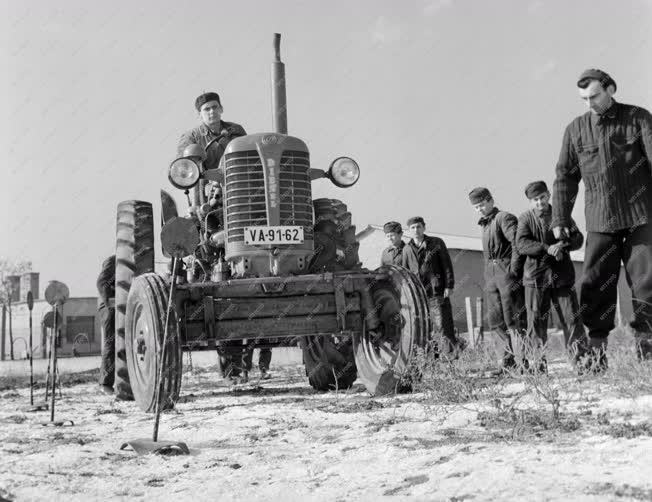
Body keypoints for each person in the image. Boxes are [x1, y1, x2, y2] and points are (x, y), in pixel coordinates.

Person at [551, 69, 652, 370]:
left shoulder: (638, 118)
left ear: (611, 89)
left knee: (647, 283)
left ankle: (647, 353)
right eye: (584, 99)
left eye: (594, 96)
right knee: (595, 284)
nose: (589, 103)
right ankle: (596, 358)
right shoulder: (576, 129)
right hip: (600, 220)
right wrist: (560, 216)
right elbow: (565, 177)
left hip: (641, 217)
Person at [178, 91, 249, 383]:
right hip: (209, 201)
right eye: (206, 109)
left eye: (215, 107)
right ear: (200, 114)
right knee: (214, 263)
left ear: (221, 109)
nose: (212, 112)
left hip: (239, 198)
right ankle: (232, 368)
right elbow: (186, 166)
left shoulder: (236, 131)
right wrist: (202, 200)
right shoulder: (191, 136)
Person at [516, 181, 587, 372]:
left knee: (571, 319)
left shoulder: (562, 216)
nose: (539, 202)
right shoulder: (525, 219)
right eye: (535, 200)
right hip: (535, 279)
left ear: (548, 195)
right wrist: (548, 248)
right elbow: (522, 244)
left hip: (562, 277)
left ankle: (580, 362)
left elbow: (578, 238)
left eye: (542, 198)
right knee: (536, 323)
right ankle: (538, 366)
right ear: (530, 202)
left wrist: (562, 245)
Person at [469, 187, 527, 372]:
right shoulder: (485, 224)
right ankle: (506, 363)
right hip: (491, 275)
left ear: (491, 200)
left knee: (514, 319)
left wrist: (514, 270)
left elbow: (517, 243)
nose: (480, 209)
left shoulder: (504, 218)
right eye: (476, 207)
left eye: (482, 204)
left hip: (506, 272)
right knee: (496, 321)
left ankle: (522, 362)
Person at [406, 216, 466, 357]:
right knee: (426, 328)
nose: (416, 230)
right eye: (413, 227)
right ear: (409, 230)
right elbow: (406, 272)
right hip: (419, 295)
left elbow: (446, 265)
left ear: (424, 227)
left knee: (443, 325)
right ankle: (433, 359)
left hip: (436, 290)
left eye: (418, 226)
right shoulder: (407, 249)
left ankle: (450, 357)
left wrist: (448, 285)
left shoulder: (436, 243)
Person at [97, 255, 116, 394]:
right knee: (111, 343)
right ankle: (105, 383)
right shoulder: (114, 260)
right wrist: (110, 302)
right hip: (109, 307)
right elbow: (102, 282)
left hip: (120, 307)